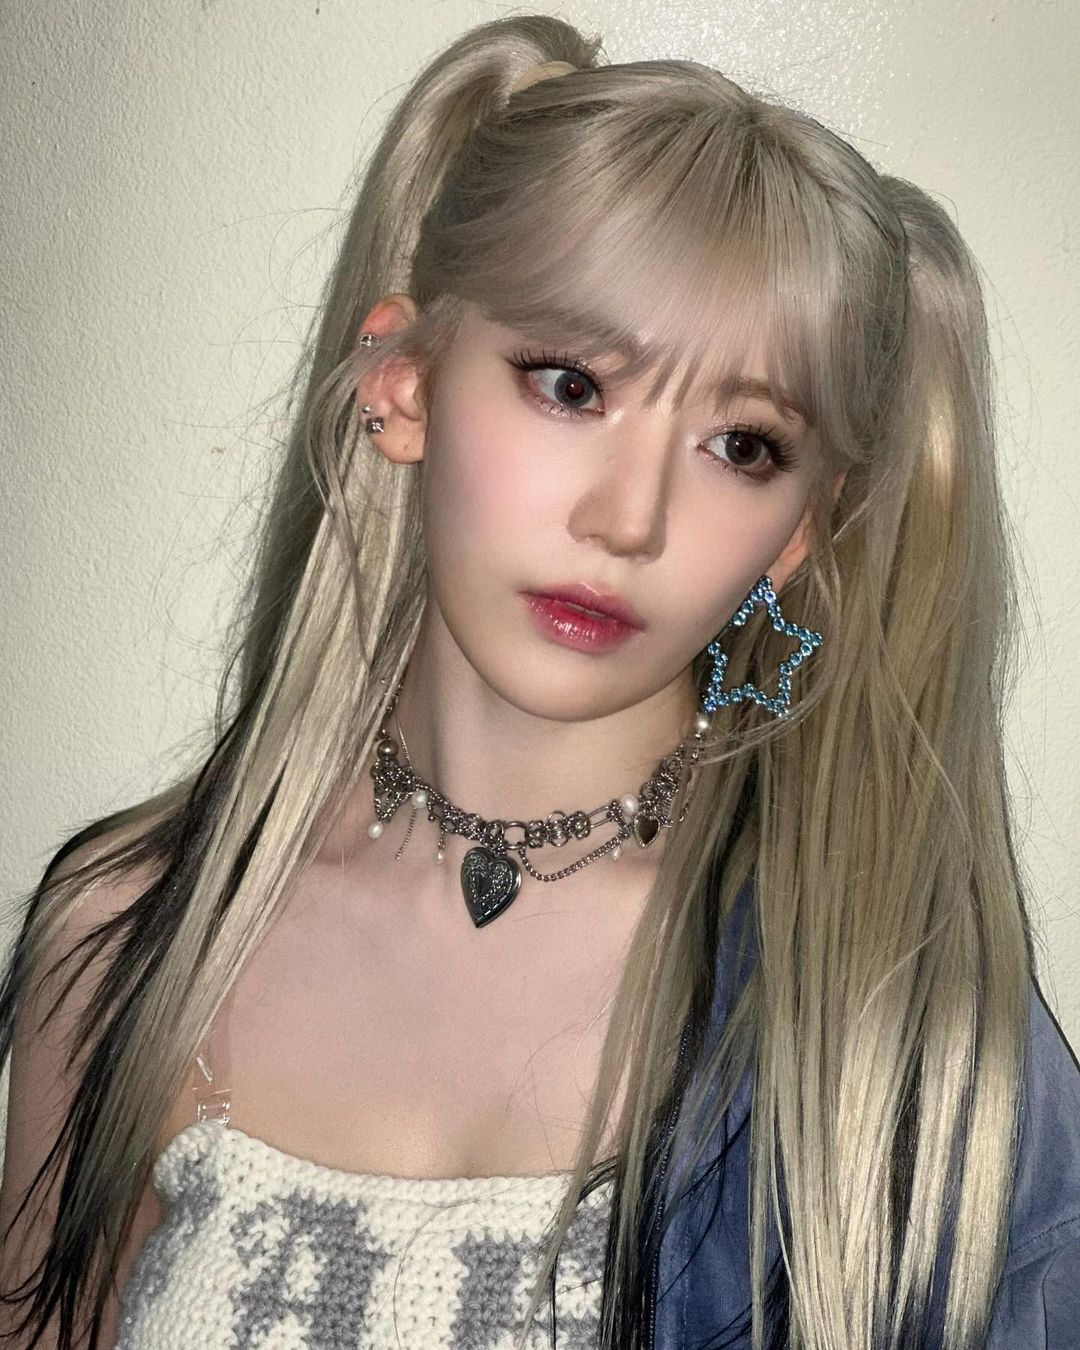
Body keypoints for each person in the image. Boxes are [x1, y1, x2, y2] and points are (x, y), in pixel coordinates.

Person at [2, 11, 1078, 1349]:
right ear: (404, 384)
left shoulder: (901, 1046)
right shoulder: (125, 939)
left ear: (801, 529)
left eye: (743, 445)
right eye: (570, 384)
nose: (629, 519)